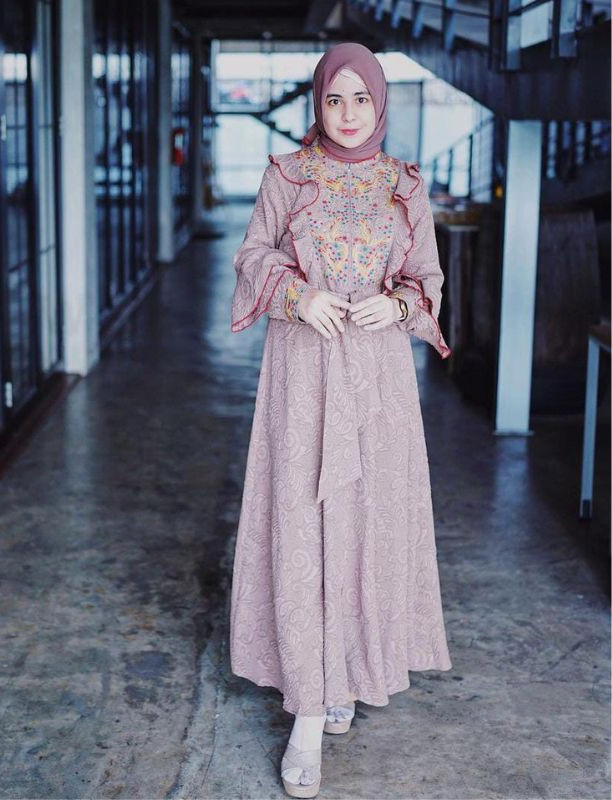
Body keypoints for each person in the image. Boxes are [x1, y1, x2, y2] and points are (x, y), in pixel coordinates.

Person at [228, 41, 453, 799]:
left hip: (378, 380)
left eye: (362, 99)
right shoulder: (287, 175)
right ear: (318, 103)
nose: (348, 113)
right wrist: (299, 295)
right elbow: (253, 256)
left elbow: (425, 278)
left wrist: (399, 304)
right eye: (334, 98)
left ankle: (346, 674)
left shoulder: (403, 186)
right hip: (303, 374)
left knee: (366, 525)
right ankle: (306, 706)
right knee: (304, 526)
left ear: (379, 104)